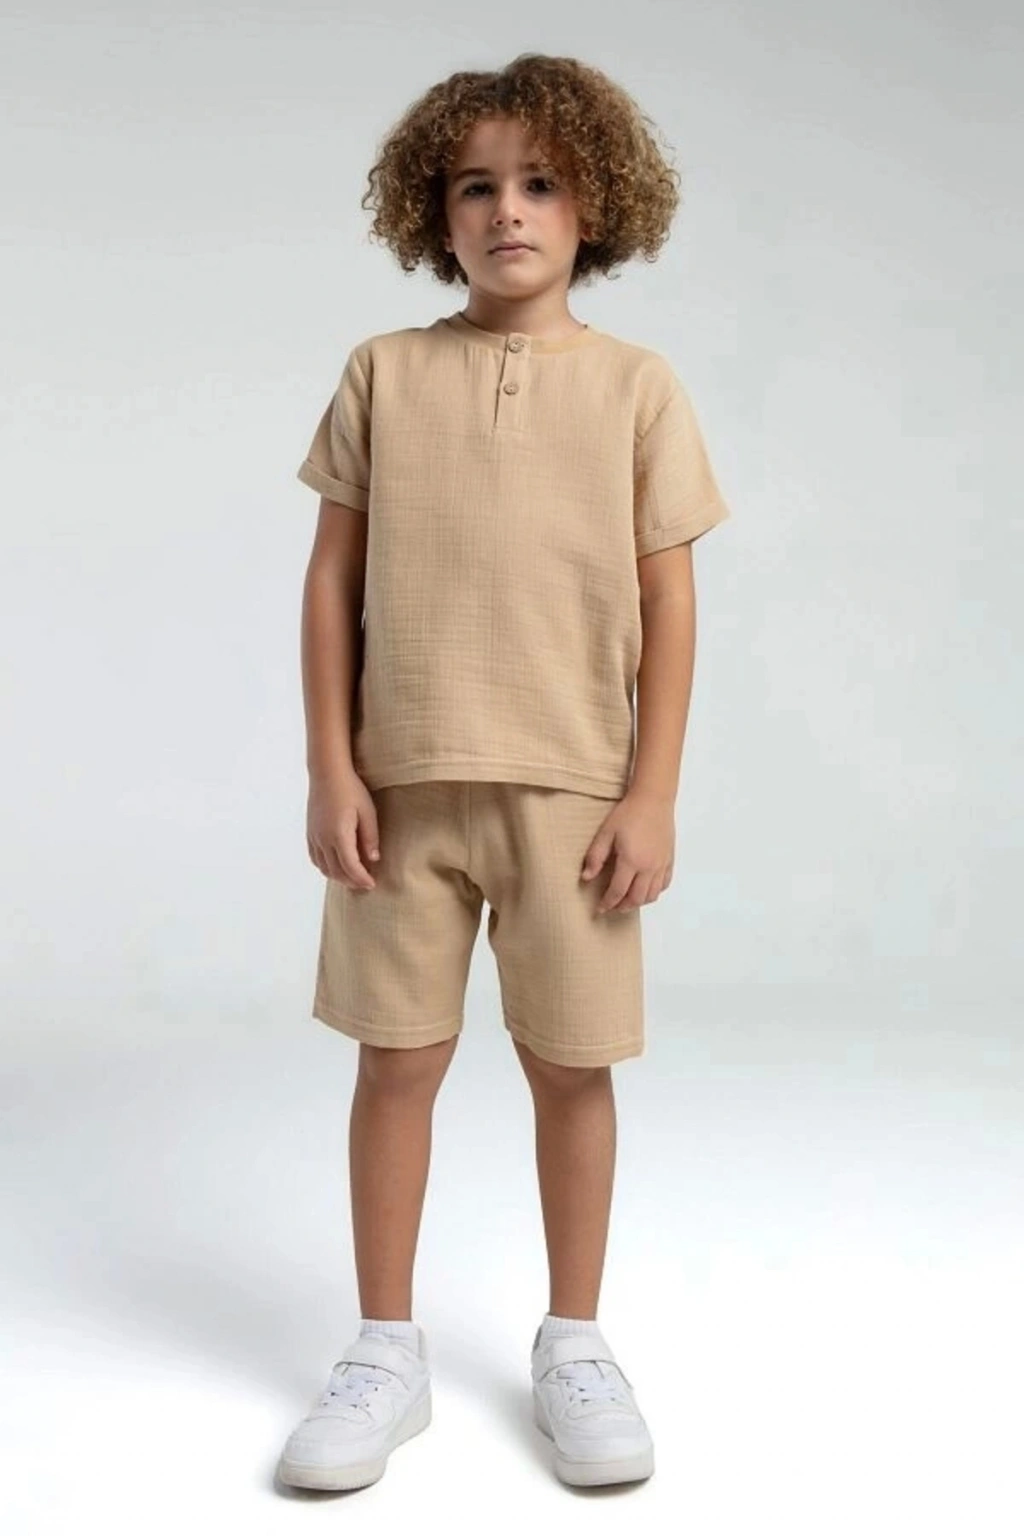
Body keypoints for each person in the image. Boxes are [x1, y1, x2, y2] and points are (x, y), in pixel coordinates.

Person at [276, 52, 731, 1494]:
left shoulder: (638, 390)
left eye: (541, 183)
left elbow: (669, 602)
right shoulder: (384, 373)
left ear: (598, 208)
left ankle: (575, 1342)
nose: (508, 211)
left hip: (575, 797)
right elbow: (330, 579)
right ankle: (384, 1349)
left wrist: (652, 792)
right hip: (402, 790)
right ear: (436, 212)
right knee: (396, 1061)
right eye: (476, 187)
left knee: (571, 1068)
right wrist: (331, 766)